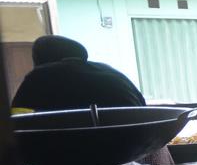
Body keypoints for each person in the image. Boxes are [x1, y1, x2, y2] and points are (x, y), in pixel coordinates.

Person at [12, 35, 145, 111]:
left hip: (68, 152)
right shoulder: (112, 72)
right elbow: (144, 110)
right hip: (134, 149)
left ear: (40, 59)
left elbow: (17, 124)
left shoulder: (39, 78)